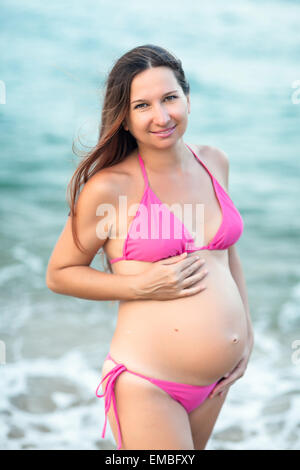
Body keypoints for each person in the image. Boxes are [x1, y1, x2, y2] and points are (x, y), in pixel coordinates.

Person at [46, 44, 254, 450]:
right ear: (124, 118)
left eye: (170, 98)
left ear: (188, 99)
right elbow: (60, 273)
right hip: (147, 385)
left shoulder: (214, 161)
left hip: (216, 383)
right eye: (142, 105)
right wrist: (141, 287)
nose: (161, 116)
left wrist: (246, 336)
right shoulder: (110, 188)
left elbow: (226, 255)